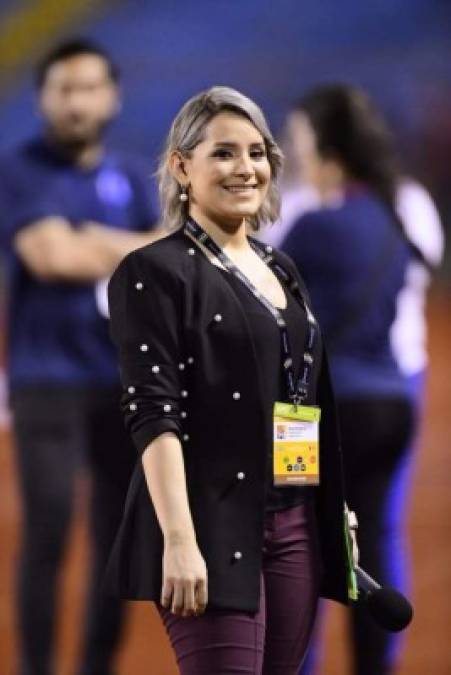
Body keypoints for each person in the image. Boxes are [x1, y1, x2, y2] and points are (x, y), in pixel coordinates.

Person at [105, 86, 357, 675]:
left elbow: (296, 393)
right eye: (223, 153)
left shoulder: (280, 267)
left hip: (295, 523)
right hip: (209, 525)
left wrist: (325, 504)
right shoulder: (152, 272)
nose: (245, 168)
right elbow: (152, 414)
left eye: (257, 151)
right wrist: (178, 540)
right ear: (181, 167)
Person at [0, 39, 161, 675]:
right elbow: (51, 258)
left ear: (112, 96)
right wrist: (134, 246)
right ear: (43, 97)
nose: (76, 102)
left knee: (116, 543)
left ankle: (98, 666)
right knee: (47, 533)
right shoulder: (19, 169)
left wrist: (93, 239)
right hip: (45, 379)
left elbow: (171, 261)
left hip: (121, 381)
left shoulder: (130, 174)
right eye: (64, 88)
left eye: (90, 87)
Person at [279, 84, 423, 675]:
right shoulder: (397, 216)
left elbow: (271, 309)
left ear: (329, 153)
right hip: (392, 401)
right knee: (377, 538)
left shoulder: (312, 225)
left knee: (296, 546)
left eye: (302, 143)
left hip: (305, 414)